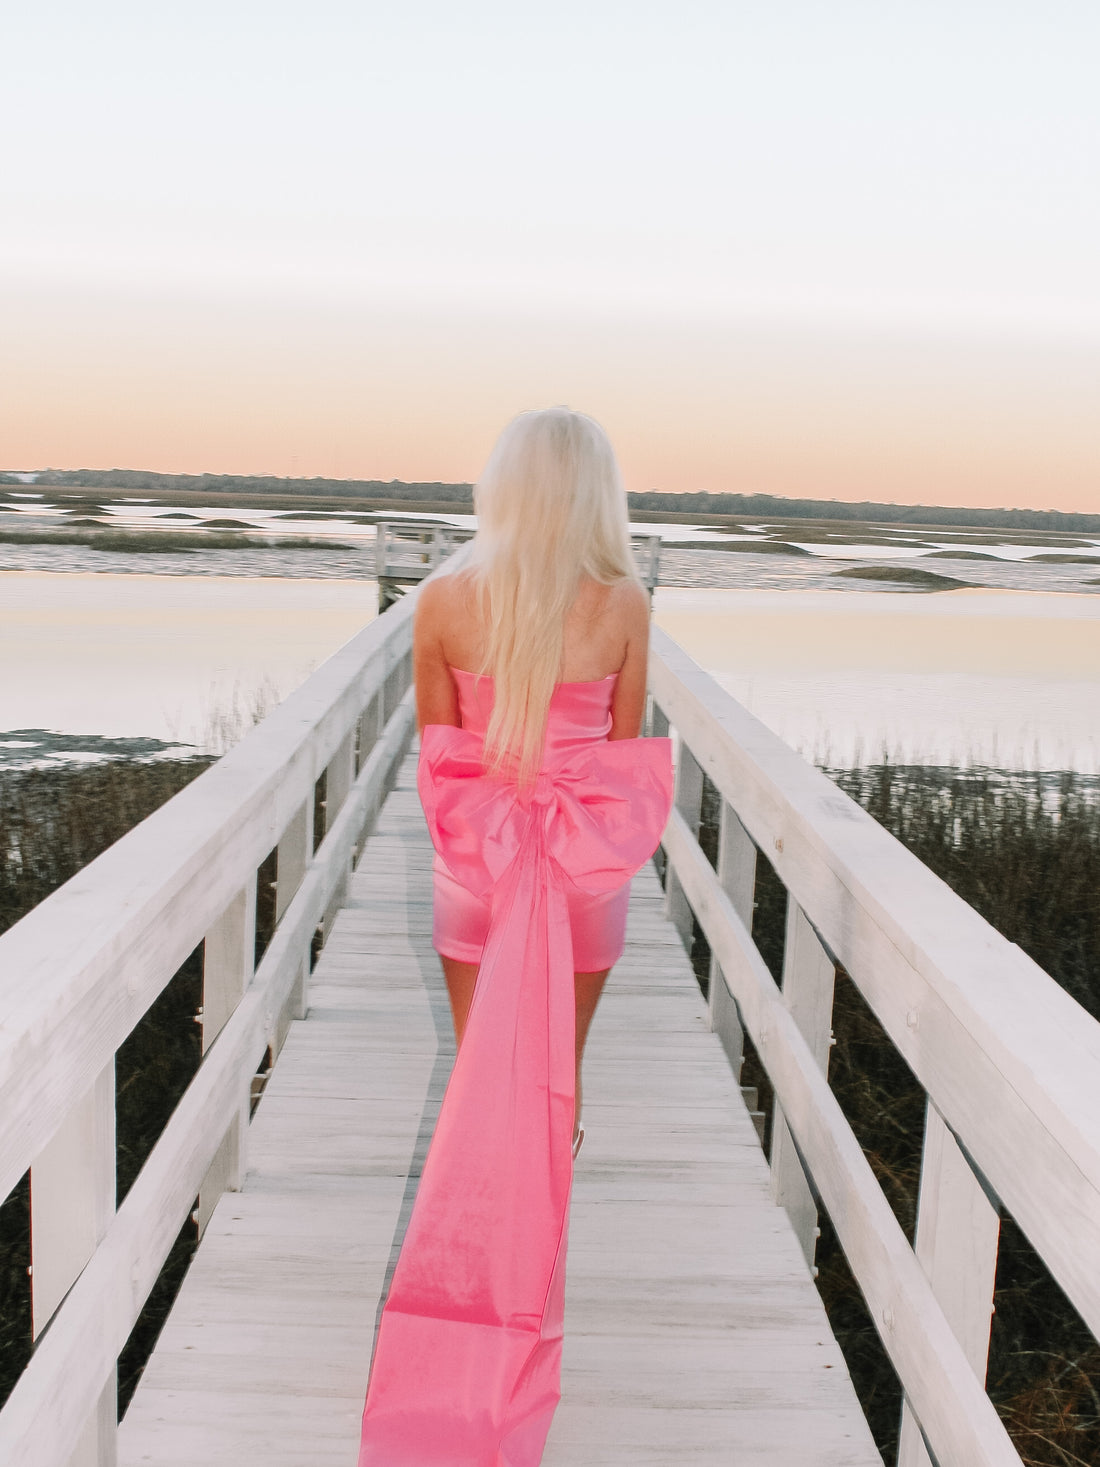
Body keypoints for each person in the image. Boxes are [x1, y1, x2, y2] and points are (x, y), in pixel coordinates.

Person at [357, 407, 672, 1467]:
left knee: (477, 1081)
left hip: (478, 869)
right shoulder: (622, 602)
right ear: (594, 495)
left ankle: (464, 1307)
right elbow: (620, 758)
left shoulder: (442, 600)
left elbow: (439, 756)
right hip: (577, 873)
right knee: (554, 1090)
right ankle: (532, 1306)